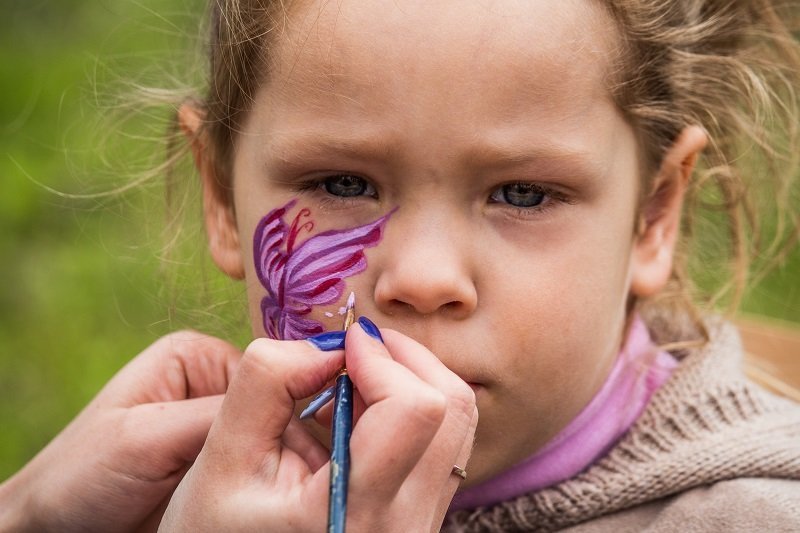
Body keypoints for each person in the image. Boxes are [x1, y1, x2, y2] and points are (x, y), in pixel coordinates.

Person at [2, 0, 800, 531]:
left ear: (653, 215)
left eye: (522, 192)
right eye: (343, 183)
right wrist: (29, 511)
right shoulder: (178, 496)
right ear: (221, 194)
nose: (420, 277)